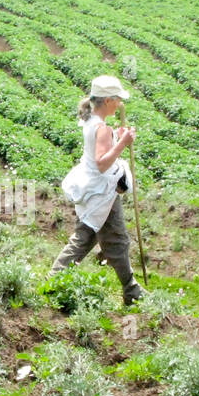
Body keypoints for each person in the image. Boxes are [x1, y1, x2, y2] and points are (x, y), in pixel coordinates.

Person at [51, 75, 144, 305]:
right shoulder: (101, 127)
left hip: (94, 190)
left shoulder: (90, 120)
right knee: (111, 240)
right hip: (102, 192)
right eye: (118, 99)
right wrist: (123, 143)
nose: (120, 104)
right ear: (108, 101)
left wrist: (116, 137)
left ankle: (53, 282)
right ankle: (131, 292)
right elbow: (102, 163)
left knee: (92, 237)